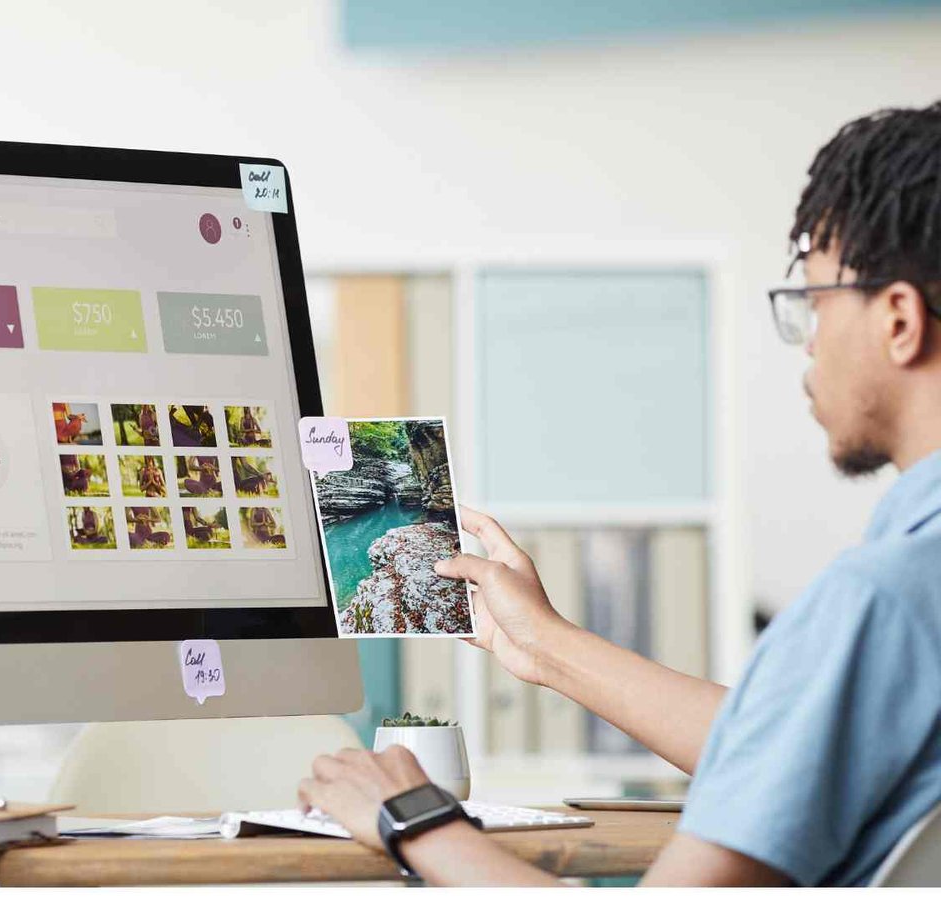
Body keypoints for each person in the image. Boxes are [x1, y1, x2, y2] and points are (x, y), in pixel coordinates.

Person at [300, 102, 941, 886]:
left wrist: (410, 818)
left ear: (900, 320)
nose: (808, 341)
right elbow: (785, 744)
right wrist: (540, 642)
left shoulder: (883, 601)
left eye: (814, 302)